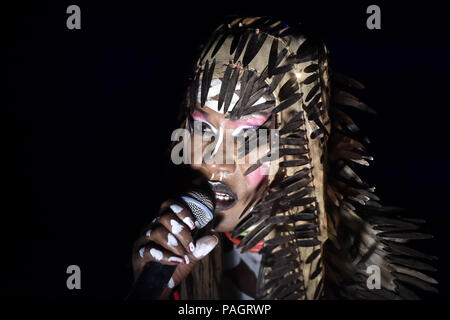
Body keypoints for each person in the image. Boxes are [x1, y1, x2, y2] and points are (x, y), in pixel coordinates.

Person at [129, 16, 438, 300]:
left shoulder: (372, 274)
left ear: (301, 145)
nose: (215, 160)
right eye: (203, 127)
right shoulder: (179, 251)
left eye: (247, 134)